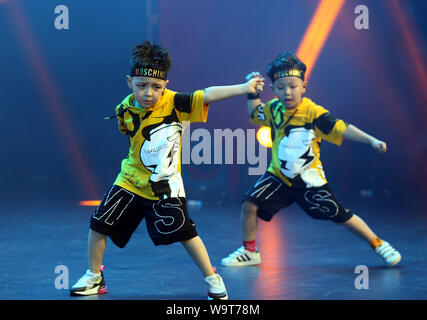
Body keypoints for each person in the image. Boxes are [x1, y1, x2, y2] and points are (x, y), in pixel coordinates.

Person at [69, 40, 265, 299]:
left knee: (186, 233)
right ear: (129, 82)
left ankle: (212, 278)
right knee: (99, 224)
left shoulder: (176, 103)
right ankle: (94, 277)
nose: (148, 93)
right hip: (129, 179)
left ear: (165, 86)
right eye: (141, 86)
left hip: (165, 185)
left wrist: (244, 88)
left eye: (156, 87)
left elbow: (207, 94)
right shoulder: (123, 109)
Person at [221, 52, 401, 268]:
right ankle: (250, 252)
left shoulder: (313, 113)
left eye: (292, 86)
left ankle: (378, 244)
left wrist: (372, 141)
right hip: (279, 176)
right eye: (280, 87)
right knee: (249, 204)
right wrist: (252, 94)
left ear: (304, 86)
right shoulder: (274, 110)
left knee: (341, 215)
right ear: (273, 89)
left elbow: (343, 129)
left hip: (310, 182)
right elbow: (255, 115)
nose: (287, 92)